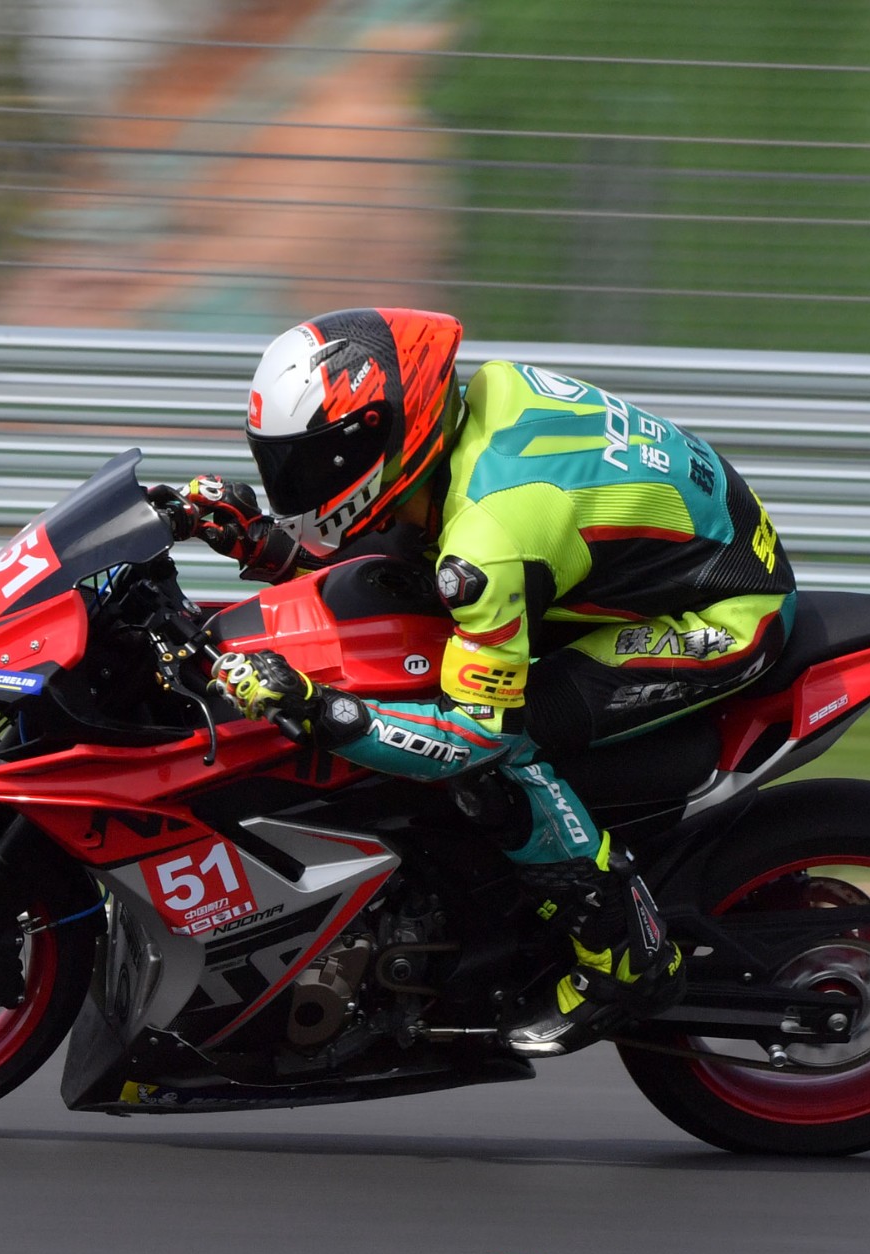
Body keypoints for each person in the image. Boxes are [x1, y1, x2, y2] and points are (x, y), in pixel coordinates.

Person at [156, 308, 796, 1052]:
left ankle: (624, 955)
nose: (295, 485)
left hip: (723, 613)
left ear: (379, 436)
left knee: (503, 759)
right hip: (647, 560)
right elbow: (404, 548)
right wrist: (261, 540)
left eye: (311, 464)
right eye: (281, 464)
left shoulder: (489, 540)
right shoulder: (467, 418)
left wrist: (317, 708)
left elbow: (473, 738)